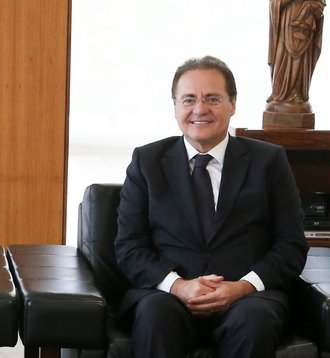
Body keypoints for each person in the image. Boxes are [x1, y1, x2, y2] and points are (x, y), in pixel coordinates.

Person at [114, 56, 308, 357]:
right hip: (168, 297)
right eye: (188, 99)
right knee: (154, 313)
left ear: (232, 103)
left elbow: (291, 244)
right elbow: (129, 246)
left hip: (248, 298)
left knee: (255, 319)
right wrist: (179, 286)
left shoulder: (269, 161)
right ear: (176, 106)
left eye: (212, 99)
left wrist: (242, 287)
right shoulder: (147, 161)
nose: (199, 109)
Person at [267, 0, 325, 114]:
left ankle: (298, 95)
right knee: (282, 59)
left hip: (306, 22)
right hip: (287, 21)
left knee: (302, 62)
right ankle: (279, 95)